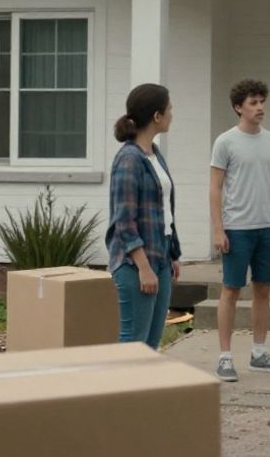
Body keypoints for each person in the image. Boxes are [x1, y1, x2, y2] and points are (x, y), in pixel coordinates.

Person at [210, 78, 270, 382]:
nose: (260, 108)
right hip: (236, 228)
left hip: (266, 227)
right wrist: (218, 229)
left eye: (261, 102)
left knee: (263, 289)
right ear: (238, 107)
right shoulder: (225, 142)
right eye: (253, 103)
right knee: (231, 289)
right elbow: (215, 188)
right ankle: (225, 356)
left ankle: (259, 353)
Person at [106, 83, 181, 349]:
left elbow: (164, 210)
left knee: (151, 343)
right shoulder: (129, 159)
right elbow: (124, 220)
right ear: (157, 116)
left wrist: (172, 254)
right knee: (134, 342)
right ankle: (123, 380)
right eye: (169, 108)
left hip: (161, 257)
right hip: (134, 263)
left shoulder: (154, 154)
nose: (172, 113)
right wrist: (144, 268)